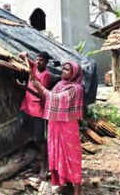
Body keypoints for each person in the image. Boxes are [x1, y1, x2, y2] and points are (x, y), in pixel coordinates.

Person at [30, 61, 84, 195]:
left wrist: (39, 86)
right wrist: (35, 84)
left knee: (72, 157)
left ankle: (77, 190)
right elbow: (48, 97)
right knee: (58, 155)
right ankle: (63, 183)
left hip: (68, 127)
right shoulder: (60, 85)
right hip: (55, 125)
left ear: (74, 73)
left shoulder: (76, 88)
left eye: (67, 70)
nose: (63, 71)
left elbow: (57, 99)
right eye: (63, 69)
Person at [17, 51, 52, 179]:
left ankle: (44, 165)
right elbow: (22, 56)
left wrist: (24, 88)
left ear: (46, 62)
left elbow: (41, 94)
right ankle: (20, 156)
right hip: (26, 106)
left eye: (41, 60)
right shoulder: (33, 66)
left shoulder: (47, 75)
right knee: (20, 130)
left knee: (39, 139)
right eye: (37, 59)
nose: (38, 62)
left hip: (38, 109)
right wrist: (25, 55)